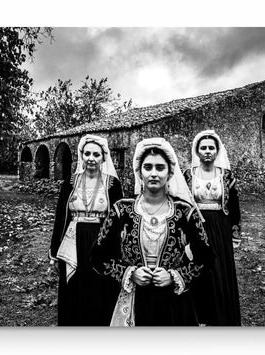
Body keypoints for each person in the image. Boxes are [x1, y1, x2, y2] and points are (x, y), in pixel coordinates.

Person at [90, 138, 213, 326]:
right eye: (148, 167)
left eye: (160, 168)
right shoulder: (121, 209)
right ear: (140, 172)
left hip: (174, 303)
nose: (153, 173)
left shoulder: (185, 211)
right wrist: (129, 273)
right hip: (132, 299)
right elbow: (98, 255)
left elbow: (206, 258)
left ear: (170, 172)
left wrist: (175, 276)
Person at [49, 134, 123, 326]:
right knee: (74, 286)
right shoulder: (70, 183)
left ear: (103, 158)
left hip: (101, 240)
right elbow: (61, 217)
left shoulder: (113, 185)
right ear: (81, 156)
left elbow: (119, 220)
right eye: (87, 153)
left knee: (99, 285)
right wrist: (55, 252)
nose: (91, 158)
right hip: (74, 240)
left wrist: (117, 251)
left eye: (96, 154)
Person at [183, 129, 242, 326]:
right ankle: (199, 315)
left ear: (217, 151)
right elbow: (181, 203)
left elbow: (234, 206)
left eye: (211, 148)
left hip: (219, 228)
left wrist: (234, 232)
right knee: (199, 268)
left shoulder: (226, 176)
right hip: (196, 227)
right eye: (203, 147)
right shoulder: (188, 175)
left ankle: (221, 315)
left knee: (219, 269)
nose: (207, 151)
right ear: (197, 151)